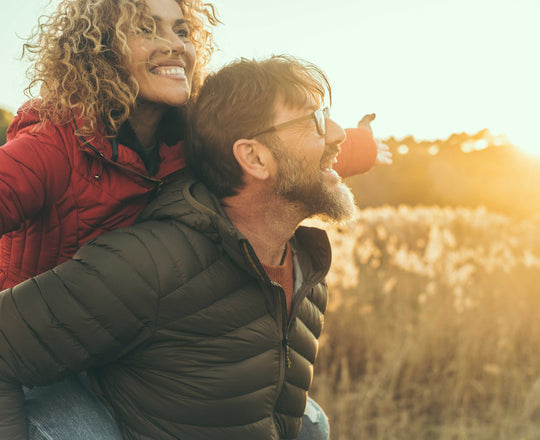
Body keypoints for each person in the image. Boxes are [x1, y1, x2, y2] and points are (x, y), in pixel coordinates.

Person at [0, 54, 357, 440]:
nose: (338, 132)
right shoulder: (149, 265)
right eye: (314, 120)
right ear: (254, 157)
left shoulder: (307, 269)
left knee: (311, 425)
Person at [0, 0, 381, 291]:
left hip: (118, 357)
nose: (174, 45)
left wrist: (362, 147)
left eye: (182, 32)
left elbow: (284, 157)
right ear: (101, 50)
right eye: (148, 30)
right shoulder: (54, 144)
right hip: (27, 356)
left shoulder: (190, 138)